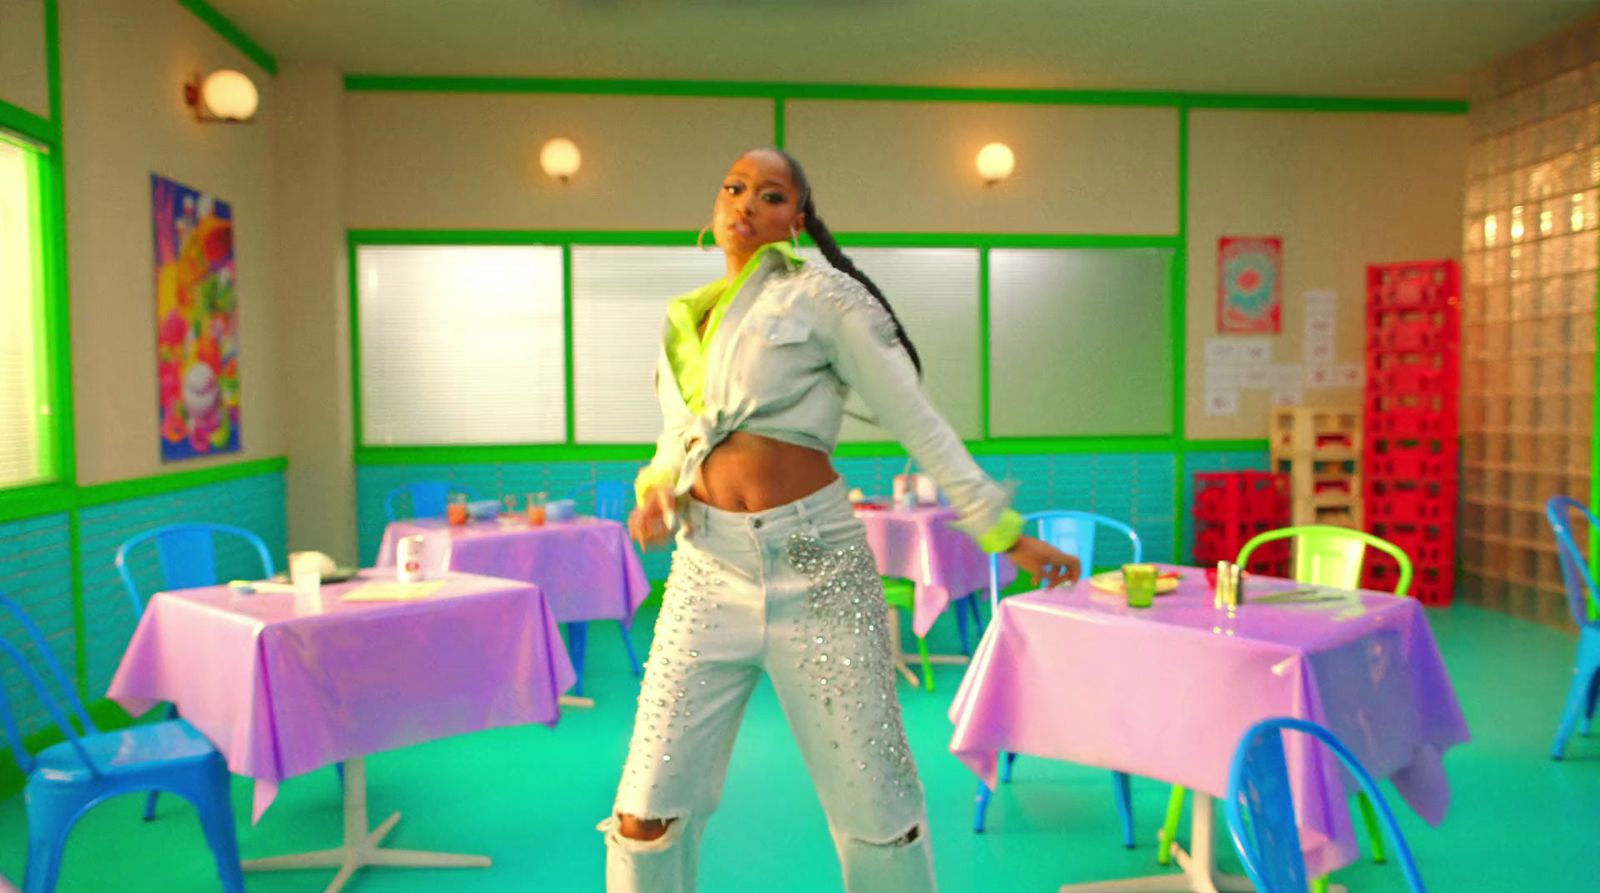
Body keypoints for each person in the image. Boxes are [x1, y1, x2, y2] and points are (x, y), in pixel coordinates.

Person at [599, 147, 1081, 893]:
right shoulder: (684, 321)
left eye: (769, 194)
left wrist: (1001, 529)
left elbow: (916, 421)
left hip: (818, 568)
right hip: (704, 571)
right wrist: (657, 491)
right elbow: (675, 438)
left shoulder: (827, 297)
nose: (745, 204)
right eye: (733, 188)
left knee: (877, 810)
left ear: (796, 217)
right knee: (644, 814)